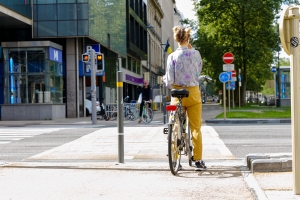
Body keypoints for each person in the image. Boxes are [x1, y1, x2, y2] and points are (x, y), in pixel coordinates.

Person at [163, 26, 207, 171]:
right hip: (193, 93)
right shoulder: (196, 54)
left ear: (176, 39)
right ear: (188, 39)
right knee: (195, 128)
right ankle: (198, 161)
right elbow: (198, 71)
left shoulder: (172, 56)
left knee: (175, 125)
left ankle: (175, 158)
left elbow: (169, 80)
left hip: (177, 93)